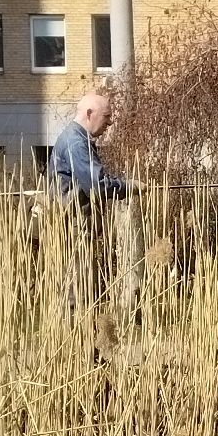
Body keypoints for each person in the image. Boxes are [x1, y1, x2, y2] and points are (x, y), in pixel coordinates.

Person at [45, 91, 132, 310]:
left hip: (74, 225)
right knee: (77, 289)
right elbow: (98, 184)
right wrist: (128, 187)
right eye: (107, 116)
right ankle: (77, 340)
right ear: (90, 113)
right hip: (73, 226)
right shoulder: (76, 143)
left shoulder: (76, 138)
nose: (110, 123)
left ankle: (81, 337)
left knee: (77, 286)